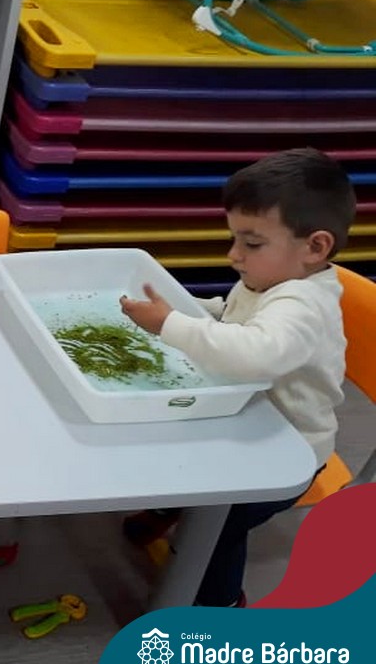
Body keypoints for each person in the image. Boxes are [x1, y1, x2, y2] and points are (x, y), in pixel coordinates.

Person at [119, 147, 355, 607]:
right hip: (245, 418)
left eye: (252, 243)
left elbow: (255, 354)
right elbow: (233, 316)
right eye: (235, 240)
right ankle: (169, 509)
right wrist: (184, 308)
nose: (233, 255)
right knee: (179, 451)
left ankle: (221, 605)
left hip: (286, 452)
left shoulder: (303, 304)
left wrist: (170, 325)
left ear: (315, 247)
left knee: (218, 528)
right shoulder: (271, 280)